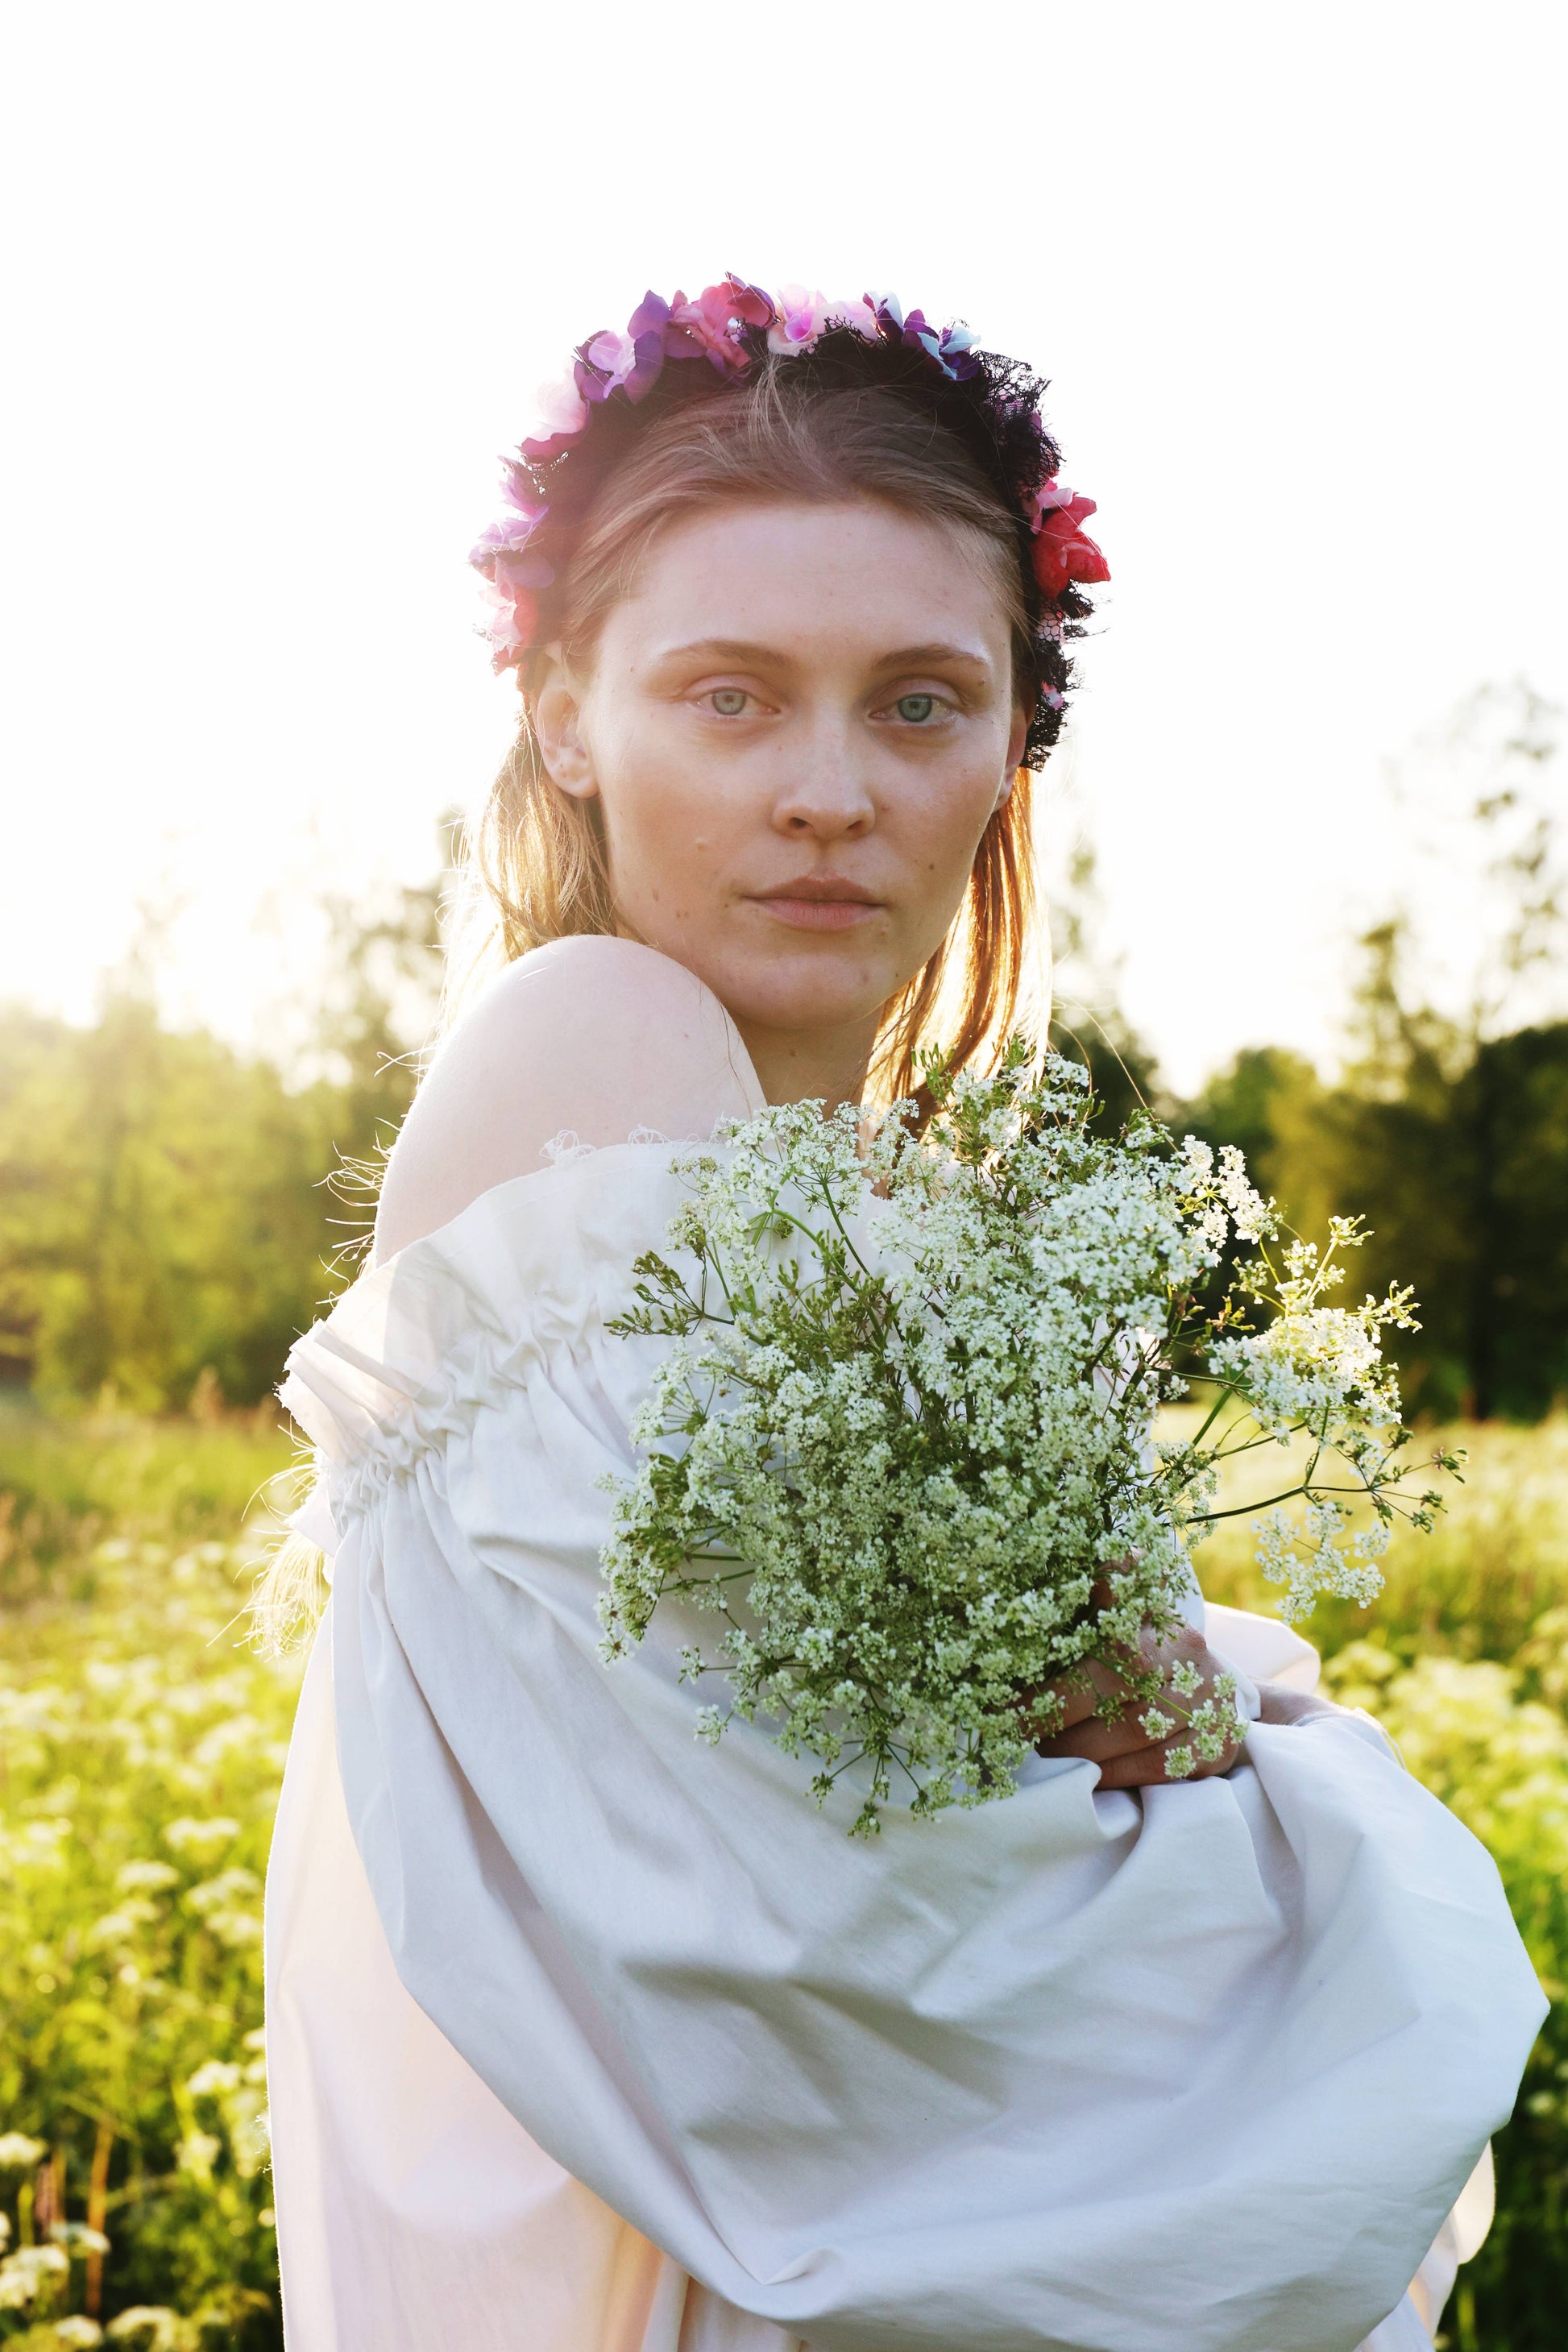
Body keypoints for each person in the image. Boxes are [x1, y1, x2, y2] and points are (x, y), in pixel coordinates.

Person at [263, 280, 1542, 2352]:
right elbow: (841, 1951)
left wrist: (1182, 1712)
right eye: (731, 695)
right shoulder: (598, 1039)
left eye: (921, 703)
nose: (829, 789)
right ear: (566, 710)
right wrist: (1299, 1827)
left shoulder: (887, 1191)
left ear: (1013, 739)